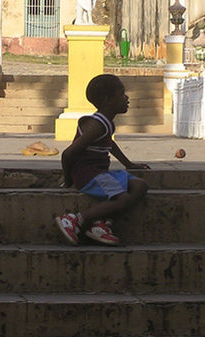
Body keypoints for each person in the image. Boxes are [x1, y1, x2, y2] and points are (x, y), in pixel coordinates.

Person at [56, 74, 149, 246]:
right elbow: (68, 154)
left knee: (140, 186)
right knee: (123, 199)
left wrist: (128, 164)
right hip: (88, 174)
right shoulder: (96, 124)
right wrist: (69, 179)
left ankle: (100, 221)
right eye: (122, 94)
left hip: (99, 173)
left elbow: (109, 144)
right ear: (107, 100)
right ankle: (75, 219)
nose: (126, 97)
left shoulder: (106, 123)